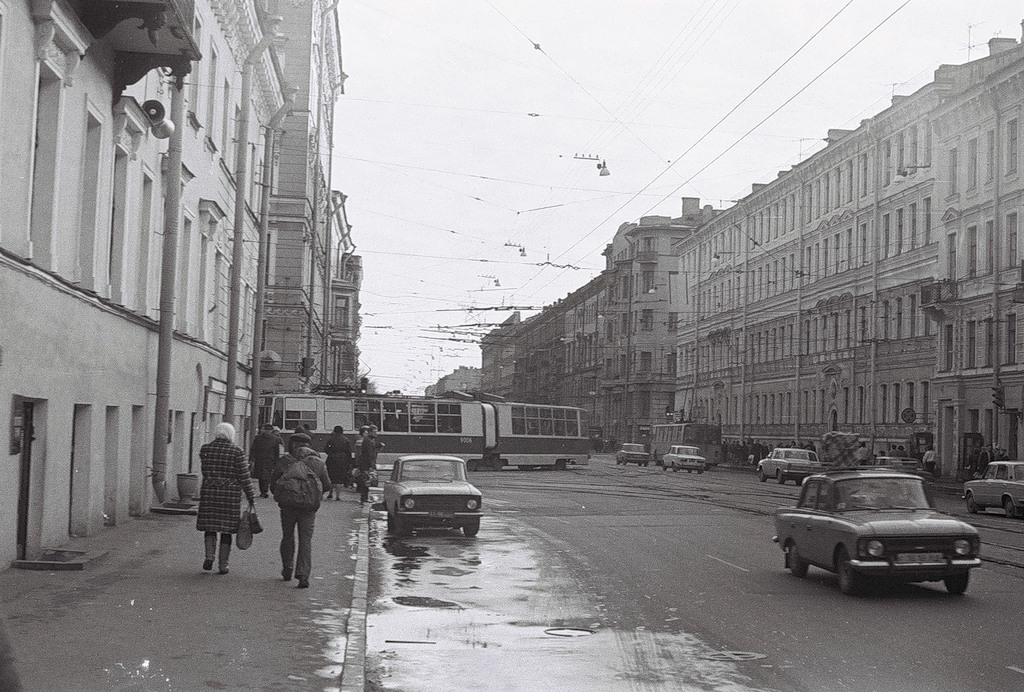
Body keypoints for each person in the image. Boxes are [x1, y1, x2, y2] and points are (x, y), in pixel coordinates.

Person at [270, 433, 332, 588]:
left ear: (293, 445)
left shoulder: (285, 461)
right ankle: (303, 575)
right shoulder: (318, 462)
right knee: (305, 540)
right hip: (308, 508)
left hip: (287, 506)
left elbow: (273, 484)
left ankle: (287, 568)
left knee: (287, 536)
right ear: (309, 445)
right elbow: (327, 485)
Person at [196, 422, 256, 575]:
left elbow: (205, 470)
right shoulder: (236, 452)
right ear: (231, 435)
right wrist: (250, 496)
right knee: (226, 530)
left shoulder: (205, 449)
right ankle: (223, 565)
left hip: (209, 494)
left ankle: (209, 557)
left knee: (210, 527)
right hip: (229, 496)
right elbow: (244, 476)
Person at [249, 424, 282, 498]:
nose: (267, 431)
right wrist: (251, 459)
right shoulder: (258, 438)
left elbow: (276, 452)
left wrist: (276, 461)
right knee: (260, 476)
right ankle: (262, 491)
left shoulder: (275, 439)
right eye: (266, 430)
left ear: (271, 431)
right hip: (260, 459)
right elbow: (253, 449)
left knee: (266, 476)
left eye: (269, 430)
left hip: (269, 460)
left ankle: (265, 491)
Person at [324, 425, 353, 498]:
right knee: (339, 477)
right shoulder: (346, 440)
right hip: (343, 460)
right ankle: (338, 495)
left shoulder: (331, 440)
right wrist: (349, 462)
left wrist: (331, 453)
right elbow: (349, 452)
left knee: (331, 476)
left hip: (332, 459)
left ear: (334, 431)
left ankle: (330, 493)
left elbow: (326, 449)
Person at [355, 426, 379, 504]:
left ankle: (364, 497)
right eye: (374, 432)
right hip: (366, 464)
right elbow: (369, 454)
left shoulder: (369, 440)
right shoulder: (368, 441)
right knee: (366, 480)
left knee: (366, 480)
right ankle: (364, 497)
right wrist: (371, 466)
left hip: (365, 463)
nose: (376, 433)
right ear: (370, 432)